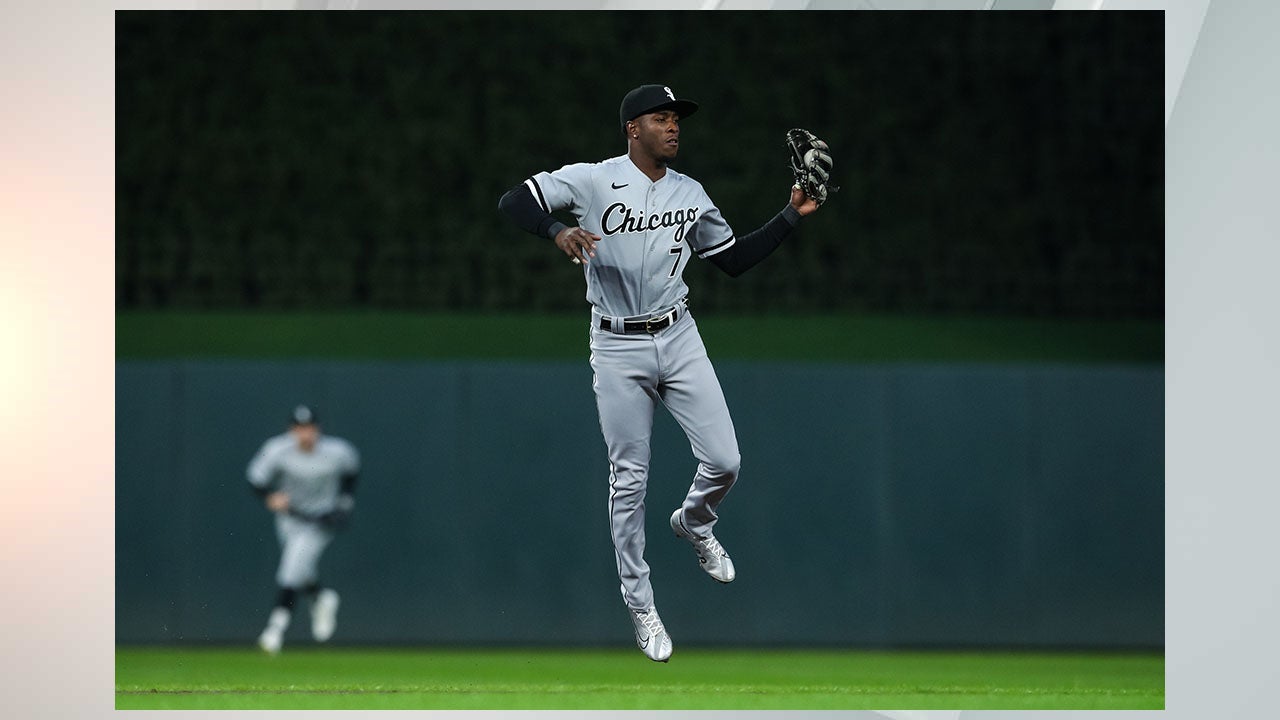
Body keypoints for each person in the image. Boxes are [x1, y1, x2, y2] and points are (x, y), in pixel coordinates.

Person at [498, 84, 824, 662]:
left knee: (726, 460)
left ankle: (695, 522)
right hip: (617, 345)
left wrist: (790, 215)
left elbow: (732, 261)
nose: (673, 127)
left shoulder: (690, 193)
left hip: (678, 335)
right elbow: (513, 203)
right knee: (629, 482)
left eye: (676, 119)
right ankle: (640, 602)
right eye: (661, 117)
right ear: (633, 128)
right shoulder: (592, 180)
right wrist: (559, 230)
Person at [247, 404, 360, 655]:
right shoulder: (277, 450)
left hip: (320, 519)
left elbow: (352, 472)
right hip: (290, 518)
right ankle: (320, 597)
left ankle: (275, 629)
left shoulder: (337, 451)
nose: (305, 434)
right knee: (300, 567)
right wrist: (269, 496)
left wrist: (344, 504)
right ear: (291, 430)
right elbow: (255, 478)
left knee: (290, 567)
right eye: (299, 429)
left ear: (317, 429)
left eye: (309, 428)